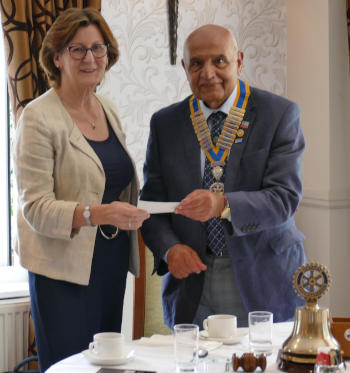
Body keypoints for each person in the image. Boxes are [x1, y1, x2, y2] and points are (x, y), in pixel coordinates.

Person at [140, 24, 306, 330]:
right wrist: (169, 249)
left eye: (219, 61)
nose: (208, 73)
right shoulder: (166, 124)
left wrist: (223, 204)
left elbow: (284, 199)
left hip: (261, 276)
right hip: (191, 282)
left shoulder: (279, 114)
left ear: (239, 61)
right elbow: (151, 206)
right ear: (184, 68)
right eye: (197, 64)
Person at [13, 8, 149, 372]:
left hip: (111, 260)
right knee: (68, 366)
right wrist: (98, 213)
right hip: (62, 271)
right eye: (77, 49)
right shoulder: (38, 117)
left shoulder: (107, 109)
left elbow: (114, 180)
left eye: (98, 48)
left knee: (106, 365)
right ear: (56, 57)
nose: (90, 58)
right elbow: (35, 207)